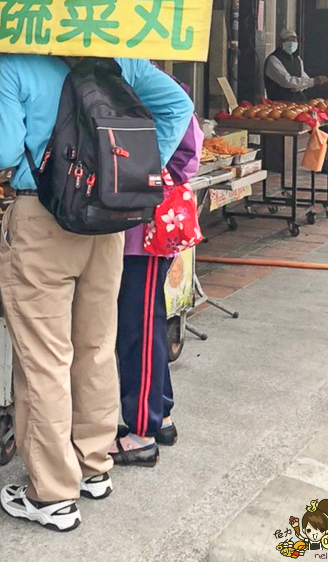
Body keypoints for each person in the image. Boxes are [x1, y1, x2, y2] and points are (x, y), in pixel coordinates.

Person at [0, 55, 192, 532]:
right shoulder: (121, 57)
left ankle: (50, 494)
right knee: (95, 347)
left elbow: (2, 152)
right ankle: (92, 466)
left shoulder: (16, 65)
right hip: (106, 223)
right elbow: (179, 105)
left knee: (44, 359)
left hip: (41, 219)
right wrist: (139, 172)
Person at [114, 106, 202, 466]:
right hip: (142, 225)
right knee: (145, 322)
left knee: (141, 328)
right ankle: (160, 416)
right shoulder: (157, 89)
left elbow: (188, 155)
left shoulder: (158, 91)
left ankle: (142, 434)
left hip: (146, 229)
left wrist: (147, 173)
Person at [264, 27, 328, 102]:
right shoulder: (273, 60)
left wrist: (299, 85)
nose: (293, 42)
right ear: (280, 42)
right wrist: (313, 81)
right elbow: (287, 81)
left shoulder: (297, 59)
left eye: (294, 40)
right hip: (280, 103)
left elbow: (304, 79)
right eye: (289, 40)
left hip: (298, 101)